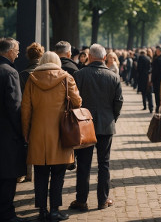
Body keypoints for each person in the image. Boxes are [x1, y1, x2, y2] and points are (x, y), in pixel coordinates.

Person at [22, 51, 82, 221]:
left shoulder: (32, 79)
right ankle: (54, 210)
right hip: (61, 134)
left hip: (38, 134)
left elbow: (25, 110)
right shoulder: (66, 77)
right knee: (58, 175)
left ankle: (42, 210)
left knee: (40, 175)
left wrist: (25, 132)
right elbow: (77, 102)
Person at [70, 44, 123, 211]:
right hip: (105, 125)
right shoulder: (113, 77)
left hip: (83, 125)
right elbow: (118, 101)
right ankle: (102, 199)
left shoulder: (79, 75)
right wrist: (112, 118)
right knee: (104, 164)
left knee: (83, 164)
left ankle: (81, 200)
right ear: (104, 57)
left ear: (90, 57)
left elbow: (73, 99)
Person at [0, 38, 26, 222]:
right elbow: (15, 106)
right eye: (16, 50)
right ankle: (7, 214)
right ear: (9, 51)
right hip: (7, 134)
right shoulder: (10, 73)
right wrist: (22, 132)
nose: (18, 53)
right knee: (8, 177)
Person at [18, 42, 45, 183]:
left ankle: (27, 173)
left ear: (28, 56)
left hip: (28, 113)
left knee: (27, 142)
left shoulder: (22, 75)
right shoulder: (45, 73)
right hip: (43, 112)